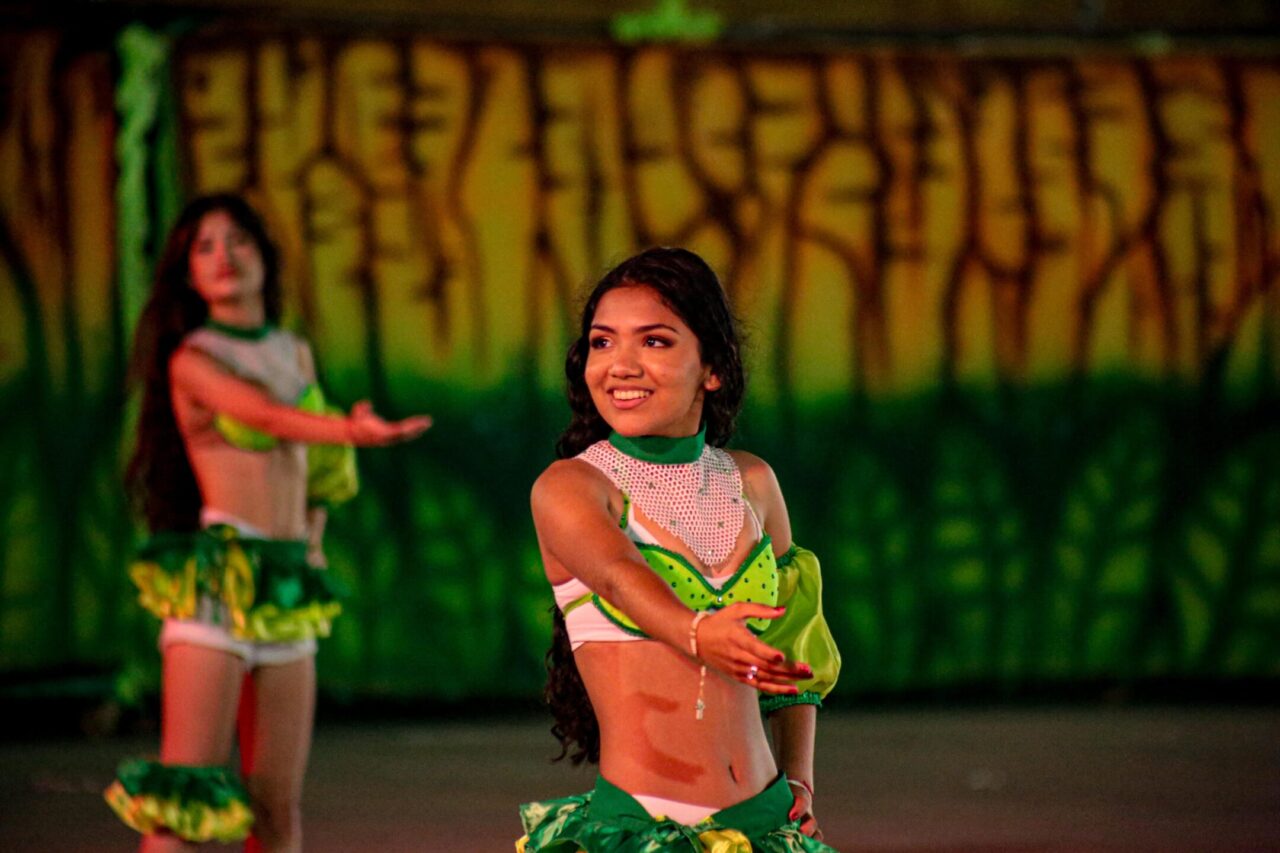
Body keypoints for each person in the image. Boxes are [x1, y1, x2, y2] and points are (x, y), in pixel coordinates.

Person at [104, 193, 431, 852]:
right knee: (186, 798)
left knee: (276, 805)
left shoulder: (293, 351)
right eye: (205, 247)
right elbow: (267, 417)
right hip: (219, 581)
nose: (224, 256)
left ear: (264, 255)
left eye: (238, 240)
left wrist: (312, 537)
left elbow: (315, 469)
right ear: (188, 275)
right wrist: (351, 429)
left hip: (287, 587)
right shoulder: (193, 358)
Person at [518, 247, 841, 851]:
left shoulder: (754, 482)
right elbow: (617, 576)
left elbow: (795, 652)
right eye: (603, 342)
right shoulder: (572, 487)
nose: (621, 365)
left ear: (712, 368)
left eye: (655, 342)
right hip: (650, 829)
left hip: (770, 824)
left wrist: (801, 778)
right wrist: (696, 631)